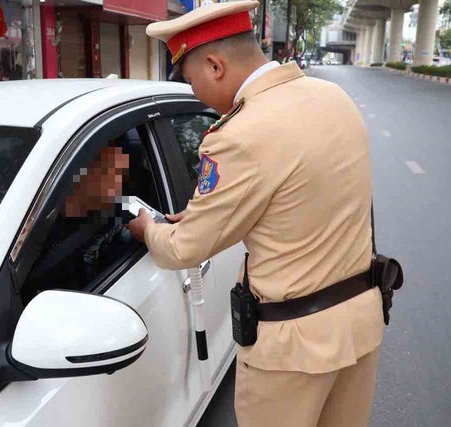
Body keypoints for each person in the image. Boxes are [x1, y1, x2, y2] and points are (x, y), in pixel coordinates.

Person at [127, 1, 384, 426]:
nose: (194, 92)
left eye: (191, 80)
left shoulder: (239, 135)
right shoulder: (333, 97)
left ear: (214, 65)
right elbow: (302, 199)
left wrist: (148, 229)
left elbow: (185, 249)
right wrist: (201, 216)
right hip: (359, 323)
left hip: (292, 353)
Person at [24, 145, 132, 298]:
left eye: (121, 174)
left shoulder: (117, 224)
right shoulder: (33, 223)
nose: (119, 185)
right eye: (111, 173)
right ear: (82, 174)